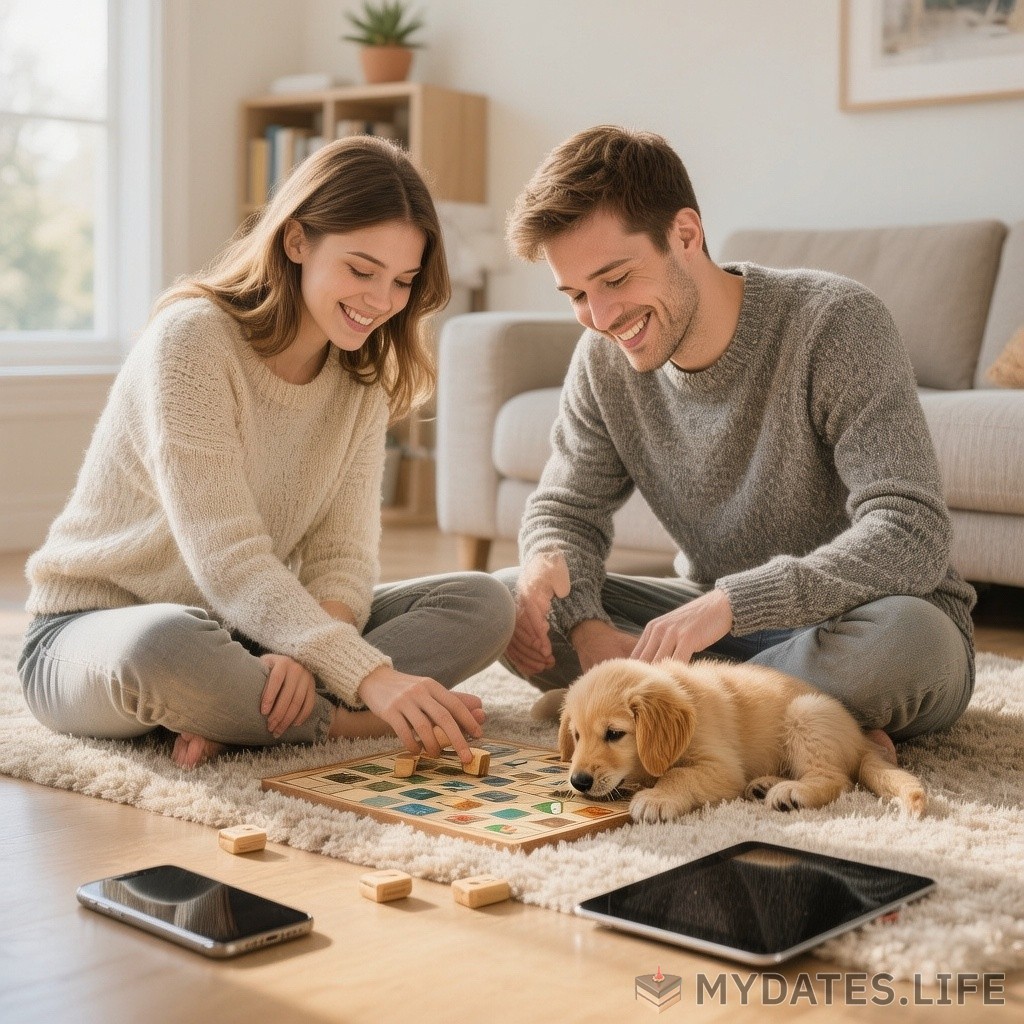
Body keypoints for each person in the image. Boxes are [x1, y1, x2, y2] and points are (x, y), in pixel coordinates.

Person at [18, 136, 514, 769]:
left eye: (402, 282)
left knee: (483, 603)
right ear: (297, 241)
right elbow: (226, 557)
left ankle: (241, 715)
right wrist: (370, 682)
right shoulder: (193, 340)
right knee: (163, 645)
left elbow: (342, 555)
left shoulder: (360, 376)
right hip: (95, 631)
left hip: (250, 631)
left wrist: (308, 653)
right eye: (361, 270)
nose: (381, 302)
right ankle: (341, 726)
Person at [497, 125, 976, 751]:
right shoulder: (601, 360)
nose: (602, 317)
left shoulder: (835, 323)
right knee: (513, 604)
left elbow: (910, 531)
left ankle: (693, 717)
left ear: (686, 235)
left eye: (615, 279)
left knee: (908, 643)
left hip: (861, 620)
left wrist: (733, 602)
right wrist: (583, 622)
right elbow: (564, 512)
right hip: (710, 629)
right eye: (577, 295)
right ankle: (792, 720)